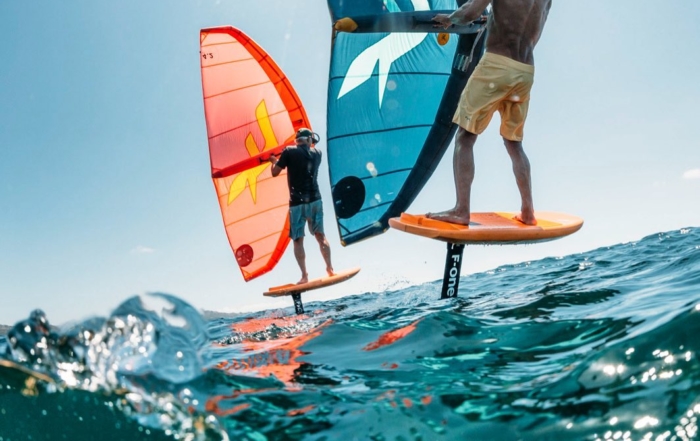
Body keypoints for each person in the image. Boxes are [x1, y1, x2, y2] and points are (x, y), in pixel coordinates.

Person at [431, 0, 552, 226]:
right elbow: (526, 23)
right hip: (525, 70)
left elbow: (469, 13)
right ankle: (528, 211)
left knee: (465, 137)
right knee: (514, 142)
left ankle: (461, 210)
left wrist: (449, 19)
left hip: (496, 65)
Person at [269, 128, 334, 284]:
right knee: (321, 236)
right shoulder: (318, 154)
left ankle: (304, 276)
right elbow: (307, 150)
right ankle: (330, 268)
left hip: (297, 204)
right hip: (315, 201)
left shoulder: (289, 152)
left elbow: (275, 172)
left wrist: (273, 161)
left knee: (298, 240)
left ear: (297, 140)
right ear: (309, 141)